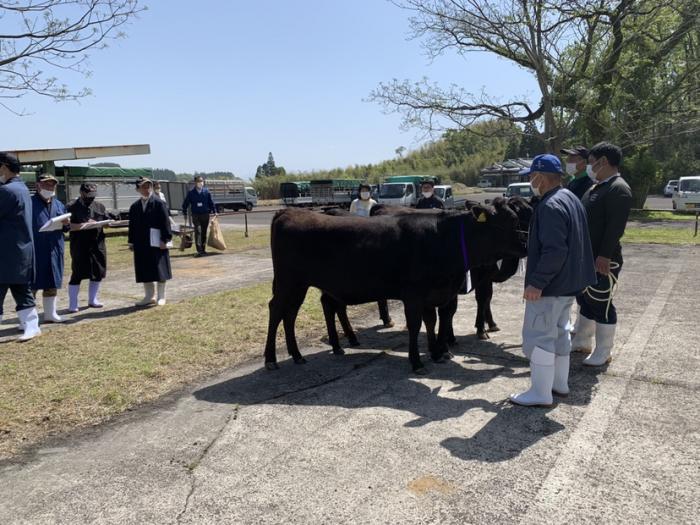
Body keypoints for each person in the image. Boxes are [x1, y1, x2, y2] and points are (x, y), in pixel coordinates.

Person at [510, 154, 596, 407]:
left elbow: (555, 250)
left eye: (531, 176)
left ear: (540, 177)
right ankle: (559, 384)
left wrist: (536, 282)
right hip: (569, 284)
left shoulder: (549, 206)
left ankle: (540, 393)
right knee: (560, 333)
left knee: (539, 338)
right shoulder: (570, 197)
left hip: (550, 287)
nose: (530, 181)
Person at [571, 142, 633, 366]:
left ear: (603, 161)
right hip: (586, 257)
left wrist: (604, 256)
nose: (589, 167)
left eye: (591, 162)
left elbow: (615, 228)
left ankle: (603, 351)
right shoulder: (597, 186)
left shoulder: (618, 188)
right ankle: (582, 341)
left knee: (601, 301)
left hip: (603, 259)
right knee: (586, 299)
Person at [0, 152, 41, 341]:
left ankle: (32, 326)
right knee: (21, 288)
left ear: (3, 167)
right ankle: (32, 326)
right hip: (19, 249)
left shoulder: (7, 191)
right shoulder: (21, 188)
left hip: (7, 250)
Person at [349, 183, 393, 327]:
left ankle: (385, 316)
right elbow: (350, 220)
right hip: (357, 238)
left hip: (372, 239)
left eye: (367, 190)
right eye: (362, 190)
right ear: (359, 191)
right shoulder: (354, 204)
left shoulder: (374, 204)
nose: (365, 192)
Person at [66, 183, 114, 312]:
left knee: (98, 272)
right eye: (88, 194)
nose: (91, 197)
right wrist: (84, 225)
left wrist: (107, 223)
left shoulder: (99, 206)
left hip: (97, 243)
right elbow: (66, 227)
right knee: (77, 273)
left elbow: (107, 222)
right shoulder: (71, 207)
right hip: (79, 244)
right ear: (81, 193)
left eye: (93, 195)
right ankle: (73, 303)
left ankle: (93, 299)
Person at [31, 173, 70, 323]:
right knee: (32, 285)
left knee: (52, 281)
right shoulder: (30, 203)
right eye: (46, 184)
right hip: (36, 249)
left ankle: (50, 313)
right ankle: (29, 317)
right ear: (38, 185)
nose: (50, 187)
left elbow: (65, 228)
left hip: (54, 248)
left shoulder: (59, 204)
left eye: (52, 184)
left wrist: (66, 223)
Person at [128, 177, 172, 306]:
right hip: (141, 242)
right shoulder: (135, 206)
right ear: (138, 189)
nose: (146, 189)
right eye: (143, 187)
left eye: (148, 186)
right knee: (144, 269)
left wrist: (165, 239)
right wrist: (131, 241)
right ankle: (149, 296)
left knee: (160, 269)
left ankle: (161, 296)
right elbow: (133, 226)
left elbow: (166, 223)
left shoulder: (159, 203)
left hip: (157, 241)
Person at [182, 175, 216, 257]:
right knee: (198, 231)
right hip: (196, 215)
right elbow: (185, 204)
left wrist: (215, 211)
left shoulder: (206, 192)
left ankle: (203, 249)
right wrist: (184, 212)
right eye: (199, 181)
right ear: (195, 183)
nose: (201, 183)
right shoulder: (191, 193)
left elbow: (211, 202)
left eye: (202, 181)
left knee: (204, 232)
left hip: (205, 214)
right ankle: (199, 250)